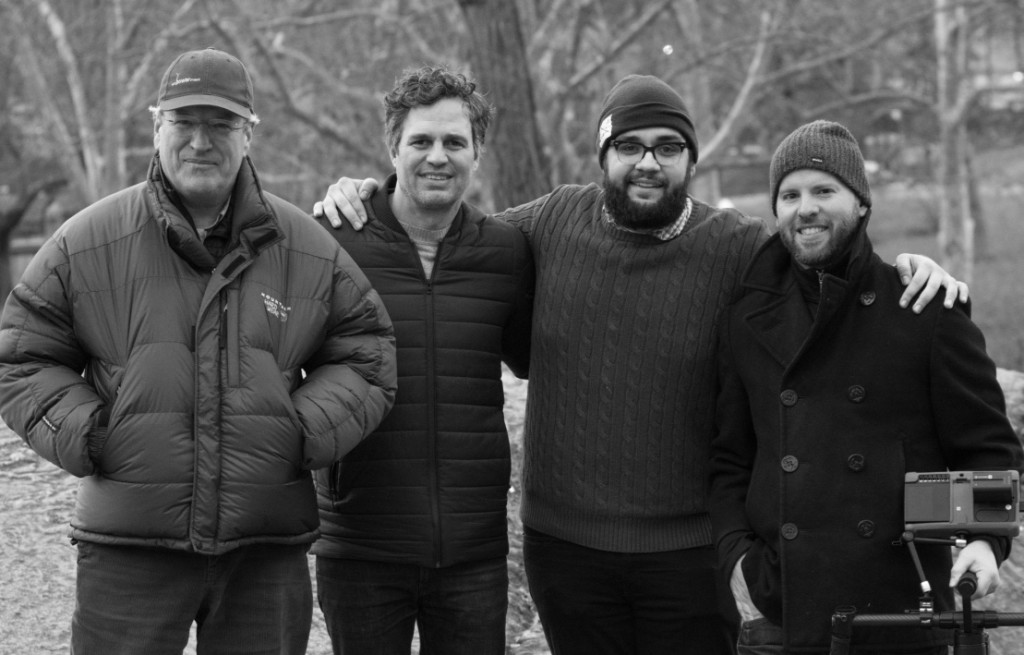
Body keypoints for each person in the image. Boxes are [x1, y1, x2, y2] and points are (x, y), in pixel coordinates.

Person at [314, 75, 966, 655]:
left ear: (689, 159)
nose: (647, 163)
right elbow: (443, 224)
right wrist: (363, 195)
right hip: (563, 551)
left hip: (687, 554)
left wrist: (911, 269)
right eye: (628, 146)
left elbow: (825, 260)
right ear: (604, 156)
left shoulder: (737, 247)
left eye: (667, 147)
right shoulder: (545, 224)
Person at [0, 48, 397, 655]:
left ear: (249, 134)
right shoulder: (87, 241)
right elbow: (22, 356)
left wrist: (300, 432)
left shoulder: (307, 248)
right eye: (184, 123)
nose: (200, 142)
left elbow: (367, 352)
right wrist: (94, 434)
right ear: (156, 127)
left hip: (264, 551)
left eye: (221, 125)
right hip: (128, 546)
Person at [709, 120, 1024, 654]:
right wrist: (740, 562)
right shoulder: (747, 319)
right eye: (789, 195)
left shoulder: (923, 309)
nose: (804, 208)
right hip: (782, 611)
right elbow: (728, 460)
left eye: (824, 190)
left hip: (900, 610)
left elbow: (989, 446)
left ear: (861, 204)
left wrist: (986, 542)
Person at [311, 66, 533, 655]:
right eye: (421, 141)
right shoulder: (333, 242)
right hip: (360, 547)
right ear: (393, 148)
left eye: (454, 142)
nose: (438, 157)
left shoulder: (505, 253)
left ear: (477, 152)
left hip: (472, 555)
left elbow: (535, 357)